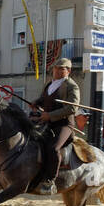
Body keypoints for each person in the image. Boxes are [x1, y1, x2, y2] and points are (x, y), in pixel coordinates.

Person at [32, 58, 80, 195]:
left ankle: (50, 181)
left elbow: (72, 108)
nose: (57, 71)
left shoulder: (72, 86)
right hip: (48, 122)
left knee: (53, 148)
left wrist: (50, 115)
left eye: (61, 68)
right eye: (55, 68)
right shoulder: (49, 85)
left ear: (68, 71)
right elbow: (44, 100)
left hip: (64, 124)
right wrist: (36, 102)